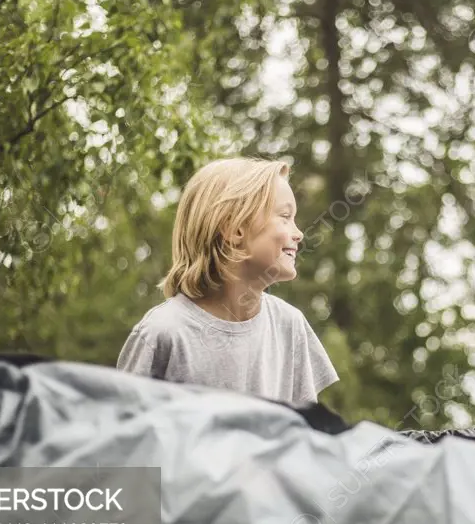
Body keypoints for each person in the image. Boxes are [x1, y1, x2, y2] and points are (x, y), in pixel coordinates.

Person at [116, 157, 339, 407]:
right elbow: (127, 436)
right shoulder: (162, 334)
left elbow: (303, 433)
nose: (298, 234)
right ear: (234, 229)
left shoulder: (290, 325)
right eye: (285, 217)